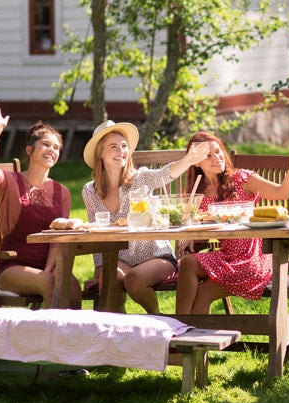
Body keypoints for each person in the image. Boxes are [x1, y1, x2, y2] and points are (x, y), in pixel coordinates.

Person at [175, 132, 289, 314]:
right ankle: (178, 329)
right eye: (208, 155)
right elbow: (196, 224)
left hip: (253, 260)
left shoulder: (242, 179)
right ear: (196, 162)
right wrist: (192, 235)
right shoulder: (195, 192)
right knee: (187, 263)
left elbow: (282, 193)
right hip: (225, 257)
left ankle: (187, 332)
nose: (216, 157)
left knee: (204, 293)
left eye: (218, 151)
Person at [81, 121, 209, 314]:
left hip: (156, 256)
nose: (121, 151)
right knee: (109, 279)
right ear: (100, 152)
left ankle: (158, 320)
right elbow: (96, 235)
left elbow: (165, 174)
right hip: (117, 258)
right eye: (113, 146)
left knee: (133, 280)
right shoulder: (89, 191)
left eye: (124, 146)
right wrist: (101, 268)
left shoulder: (141, 178)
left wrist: (189, 159)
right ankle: (120, 332)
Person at [0, 102, 80, 307]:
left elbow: (57, 241)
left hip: (46, 267)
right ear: (29, 150)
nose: (52, 150)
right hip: (11, 267)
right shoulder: (10, 181)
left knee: (73, 288)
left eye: (57, 147)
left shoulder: (62, 193)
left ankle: (71, 339)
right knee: (51, 284)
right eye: (46, 145)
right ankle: (45, 338)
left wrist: (49, 269)